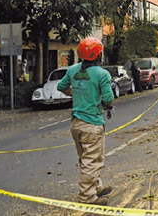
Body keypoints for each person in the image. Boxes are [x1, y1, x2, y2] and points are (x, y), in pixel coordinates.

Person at [57, 37, 115, 205]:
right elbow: (108, 98)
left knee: (85, 159)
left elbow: (61, 87)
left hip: (76, 123)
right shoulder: (102, 74)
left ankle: (96, 187)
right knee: (93, 161)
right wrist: (106, 104)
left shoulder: (73, 70)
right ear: (98, 54)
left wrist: (76, 94)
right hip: (92, 124)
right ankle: (87, 196)